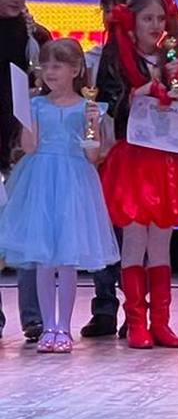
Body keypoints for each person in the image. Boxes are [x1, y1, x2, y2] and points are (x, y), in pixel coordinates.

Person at [97, 0, 178, 349]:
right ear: (131, 24)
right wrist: (136, 95)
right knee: (134, 239)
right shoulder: (116, 58)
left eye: (160, 18)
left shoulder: (174, 59)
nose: (155, 25)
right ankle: (136, 321)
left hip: (167, 158)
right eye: (147, 18)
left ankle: (161, 322)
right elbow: (107, 105)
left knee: (161, 242)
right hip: (133, 159)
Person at [0, 40, 119, 352]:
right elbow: (30, 147)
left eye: (57, 66)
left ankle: (63, 327)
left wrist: (92, 125)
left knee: (66, 260)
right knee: (44, 258)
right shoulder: (37, 106)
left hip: (74, 182)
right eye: (46, 66)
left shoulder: (87, 107)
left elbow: (93, 156)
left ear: (76, 70)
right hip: (40, 180)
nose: (50, 72)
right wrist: (26, 116)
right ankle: (47, 327)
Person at [80, 0, 141, 339]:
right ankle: (104, 307)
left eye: (122, 9)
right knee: (102, 231)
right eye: (108, 10)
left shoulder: (151, 60)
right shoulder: (92, 59)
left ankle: (136, 309)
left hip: (137, 155)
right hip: (102, 155)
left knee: (134, 235)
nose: (113, 16)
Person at [0, 0, 51, 342]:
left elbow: (53, 84)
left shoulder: (35, 36)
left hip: (24, 142)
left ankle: (33, 317)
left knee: (29, 231)